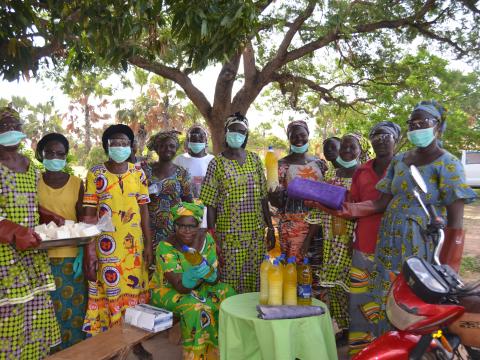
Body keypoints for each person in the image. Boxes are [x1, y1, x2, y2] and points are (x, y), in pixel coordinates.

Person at [309, 100, 477, 338]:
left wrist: (449, 270)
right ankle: (380, 346)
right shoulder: (401, 161)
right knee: (382, 301)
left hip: (418, 245)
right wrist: (344, 210)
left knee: (409, 302)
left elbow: (455, 223)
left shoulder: (448, 164)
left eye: (423, 123)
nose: (417, 128)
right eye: (413, 123)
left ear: (437, 127)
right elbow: (380, 203)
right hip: (387, 243)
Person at [0, 107, 60, 359]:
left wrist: (48, 216)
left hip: (32, 255)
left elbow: (29, 203)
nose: (12, 132)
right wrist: (14, 231)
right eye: (5, 127)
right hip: (5, 259)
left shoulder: (30, 167)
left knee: (34, 314)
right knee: (9, 318)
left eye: (17, 127)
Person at [82, 124, 153, 339]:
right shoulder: (96, 173)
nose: (120, 147)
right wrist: (90, 251)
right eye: (115, 143)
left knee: (135, 293)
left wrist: (149, 245)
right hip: (106, 246)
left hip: (134, 248)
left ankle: (134, 341)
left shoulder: (138, 173)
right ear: (107, 146)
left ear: (131, 147)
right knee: (111, 291)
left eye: (124, 143)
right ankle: (113, 341)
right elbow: (88, 213)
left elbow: (144, 210)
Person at [200, 113, 275, 293]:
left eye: (241, 132)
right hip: (228, 234)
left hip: (256, 233)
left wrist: (270, 228)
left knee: (256, 280)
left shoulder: (255, 160)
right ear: (226, 133)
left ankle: (252, 319)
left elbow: (263, 197)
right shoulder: (216, 163)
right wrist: (212, 235)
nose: (237, 135)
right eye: (233, 130)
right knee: (230, 281)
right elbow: (210, 203)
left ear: (246, 135)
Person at [150, 201, 236, 359]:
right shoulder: (166, 246)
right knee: (196, 306)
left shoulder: (206, 239)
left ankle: (226, 349)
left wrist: (211, 275)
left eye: (191, 226)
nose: (186, 230)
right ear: (174, 226)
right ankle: (197, 354)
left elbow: (215, 279)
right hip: (168, 290)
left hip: (198, 287)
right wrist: (194, 275)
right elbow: (179, 286)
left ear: (198, 225)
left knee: (228, 293)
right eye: (180, 225)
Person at [304, 133, 367, 341]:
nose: (347, 150)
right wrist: (307, 240)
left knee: (353, 287)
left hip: (352, 240)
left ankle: (358, 331)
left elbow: (367, 211)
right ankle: (342, 327)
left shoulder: (363, 175)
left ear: (361, 150)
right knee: (334, 287)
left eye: (352, 147)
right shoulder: (332, 174)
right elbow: (320, 210)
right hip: (332, 239)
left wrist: (356, 240)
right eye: (344, 147)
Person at [346, 122, 400, 356]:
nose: (380, 139)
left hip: (396, 245)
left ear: (396, 139)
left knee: (391, 302)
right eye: (375, 135)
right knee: (360, 300)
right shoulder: (362, 171)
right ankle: (360, 352)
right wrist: (351, 240)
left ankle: (390, 350)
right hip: (365, 244)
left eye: (385, 135)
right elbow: (353, 204)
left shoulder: (404, 167)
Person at [35, 133, 86, 350]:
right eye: (50, 153)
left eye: (60, 153)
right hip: (40, 258)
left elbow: (83, 219)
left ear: (66, 156)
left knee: (74, 310)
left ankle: (74, 352)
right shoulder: (33, 182)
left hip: (71, 258)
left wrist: (83, 252)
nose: (55, 157)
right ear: (42, 155)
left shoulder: (76, 183)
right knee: (46, 311)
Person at [268, 120, 326, 261]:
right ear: (289, 139)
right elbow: (276, 202)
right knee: (294, 268)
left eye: (302, 135)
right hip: (293, 225)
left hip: (319, 223)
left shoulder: (320, 163)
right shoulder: (281, 165)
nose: (299, 139)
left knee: (316, 267)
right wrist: (274, 195)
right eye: (294, 136)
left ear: (308, 135)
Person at [143, 130, 193, 251]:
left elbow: (188, 202)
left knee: (171, 266)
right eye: (163, 146)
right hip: (148, 229)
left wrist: (187, 229)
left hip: (174, 231)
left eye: (172, 146)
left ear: (176, 148)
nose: (168, 149)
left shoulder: (182, 173)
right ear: (157, 148)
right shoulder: (145, 171)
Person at [174, 124, 214, 199]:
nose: (197, 140)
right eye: (193, 139)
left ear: (206, 141)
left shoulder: (212, 160)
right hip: (185, 205)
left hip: (207, 204)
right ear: (188, 141)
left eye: (201, 138)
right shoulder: (179, 160)